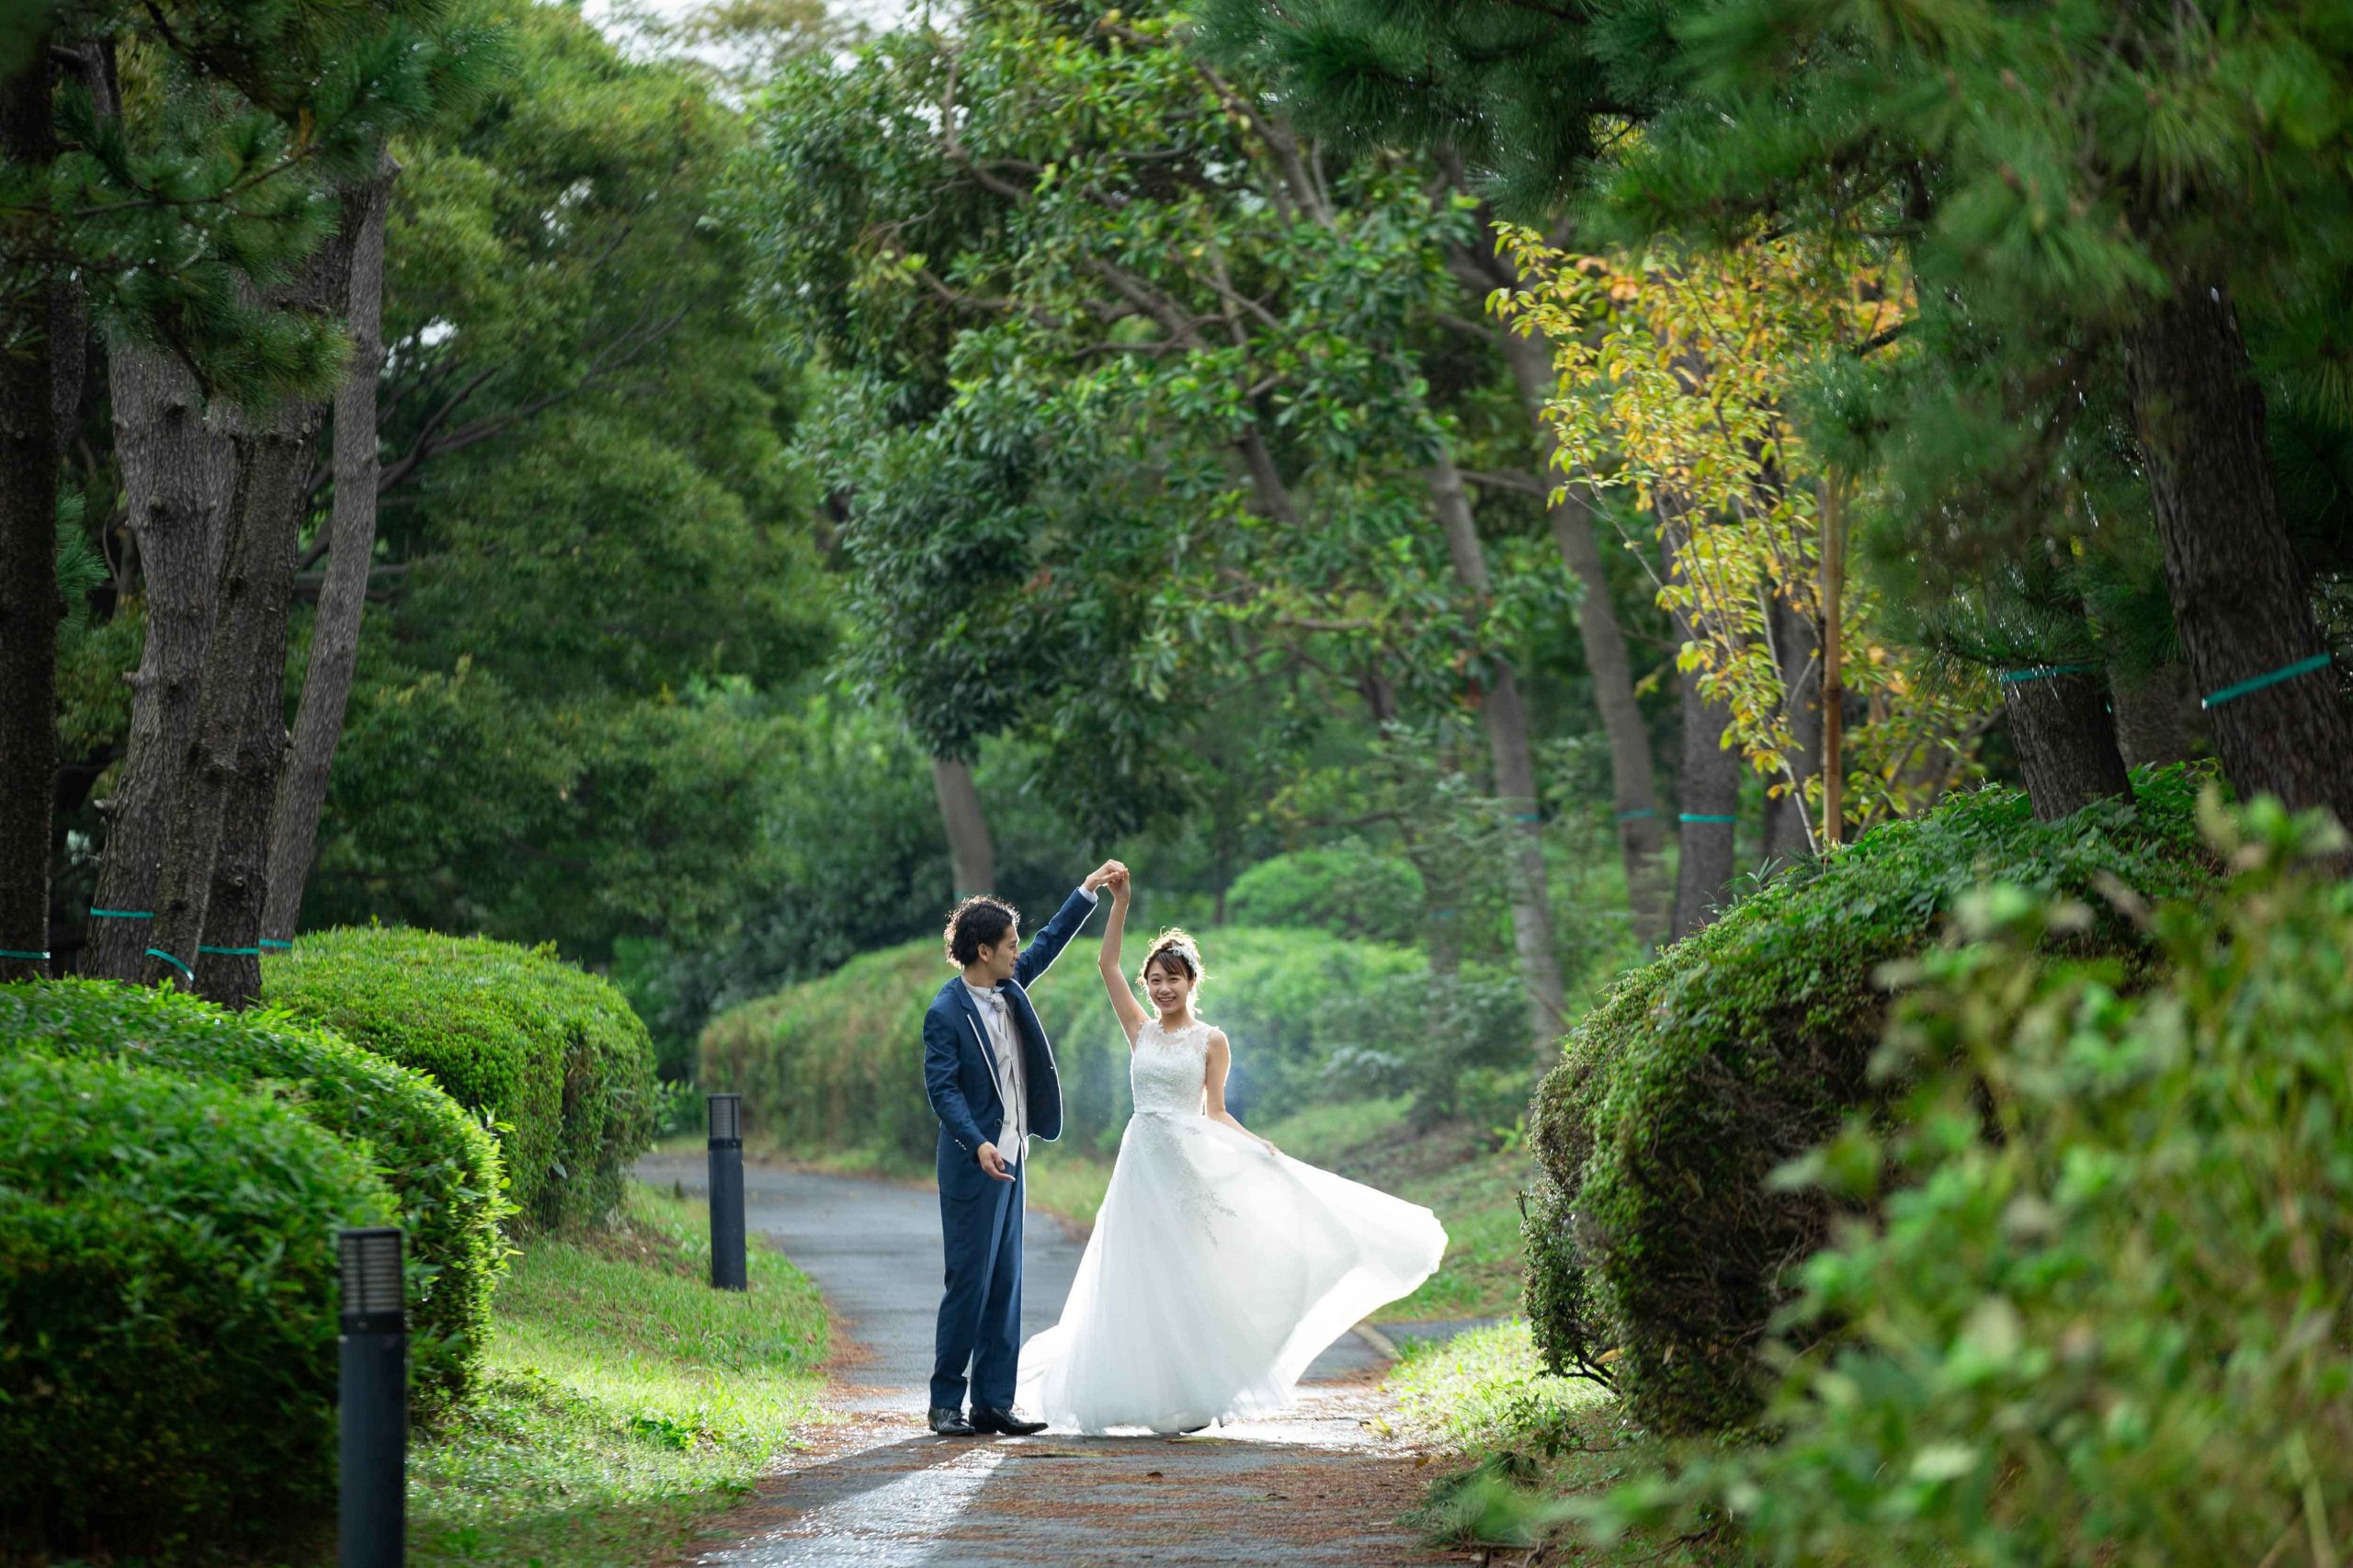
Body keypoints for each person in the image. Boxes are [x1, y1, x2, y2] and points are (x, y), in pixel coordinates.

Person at [1015, 868, 1447, 1436]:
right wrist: (1118, 901)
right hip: (1140, 1162)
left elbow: (1214, 1111)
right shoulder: (1139, 1030)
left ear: (1192, 981)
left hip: (1187, 1166)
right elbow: (1106, 965)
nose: (1163, 988)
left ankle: (1193, 1391)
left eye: (1173, 979)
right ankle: (1139, 1393)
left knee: (1187, 1275)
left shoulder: (1211, 1039)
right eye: (1155, 980)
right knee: (1135, 1274)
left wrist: (1257, 1147)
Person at [924, 861, 1125, 1437]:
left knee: (1006, 1283)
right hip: (973, 1166)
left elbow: (1049, 942)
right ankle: (945, 1403)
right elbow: (944, 1091)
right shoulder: (945, 1013)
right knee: (969, 1281)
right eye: (1009, 945)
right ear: (983, 950)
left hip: (1014, 1159)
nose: (1018, 952)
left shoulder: (1009, 987)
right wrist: (979, 1142)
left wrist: (1086, 892)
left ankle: (993, 1402)